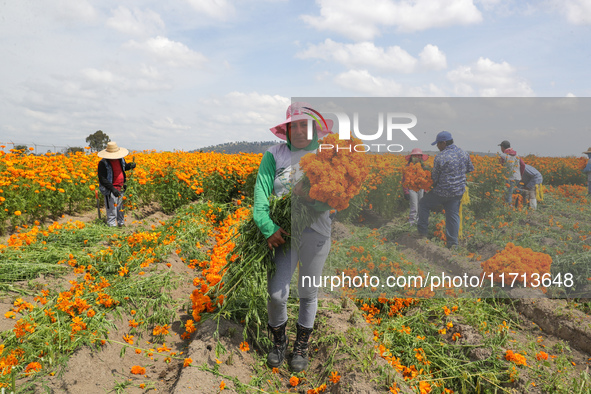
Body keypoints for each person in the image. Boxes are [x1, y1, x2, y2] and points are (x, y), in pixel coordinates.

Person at [253, 102, 333, 372]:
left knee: (308, 292)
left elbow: (336, 199)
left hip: (316, 232)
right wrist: (268, 228)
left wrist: (308, 196)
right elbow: (261, 197)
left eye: (304, 124)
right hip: (283, 234)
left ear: (313, 129)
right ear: (286, 129)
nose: (299, 130)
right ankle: (278, 341)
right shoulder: (274, 155)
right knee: (277, 294)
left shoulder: (327, 155)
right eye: (294, 125)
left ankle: (301, 345)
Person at [417, 131, 474, 249]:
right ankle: (453, 244)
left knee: (423, 203)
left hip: (442, 191)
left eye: (438, 144)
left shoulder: (441, 157)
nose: (437, 147)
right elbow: (469, 169)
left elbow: (435, 177)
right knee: (452, 216)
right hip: (458, 192)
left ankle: (422, 233)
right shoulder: (464, 153)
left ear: (444, 143)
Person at [97, 141, 136, 227]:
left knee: (121, 208)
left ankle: (121, 225)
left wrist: (130, 166)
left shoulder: (120, 159)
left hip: (121, 188)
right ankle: (112, 227)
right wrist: (112, 189)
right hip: (110, 190)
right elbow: (102, 179)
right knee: (112, 210)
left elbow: (123, 167)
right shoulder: (103, 163)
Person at [403, 148, 429, 225]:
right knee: (414, 207)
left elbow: (425, 179)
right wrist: (406, 191)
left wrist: (425, 190)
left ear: (421, 157)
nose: (417, 157)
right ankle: (412, 223)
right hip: (411, 189)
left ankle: (419, 223)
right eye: (415, 156)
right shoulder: (407, 167)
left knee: (420, 206)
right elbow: (405, 180)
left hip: (421, 188)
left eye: (419, 156)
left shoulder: (423, 167)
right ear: (411, 157)